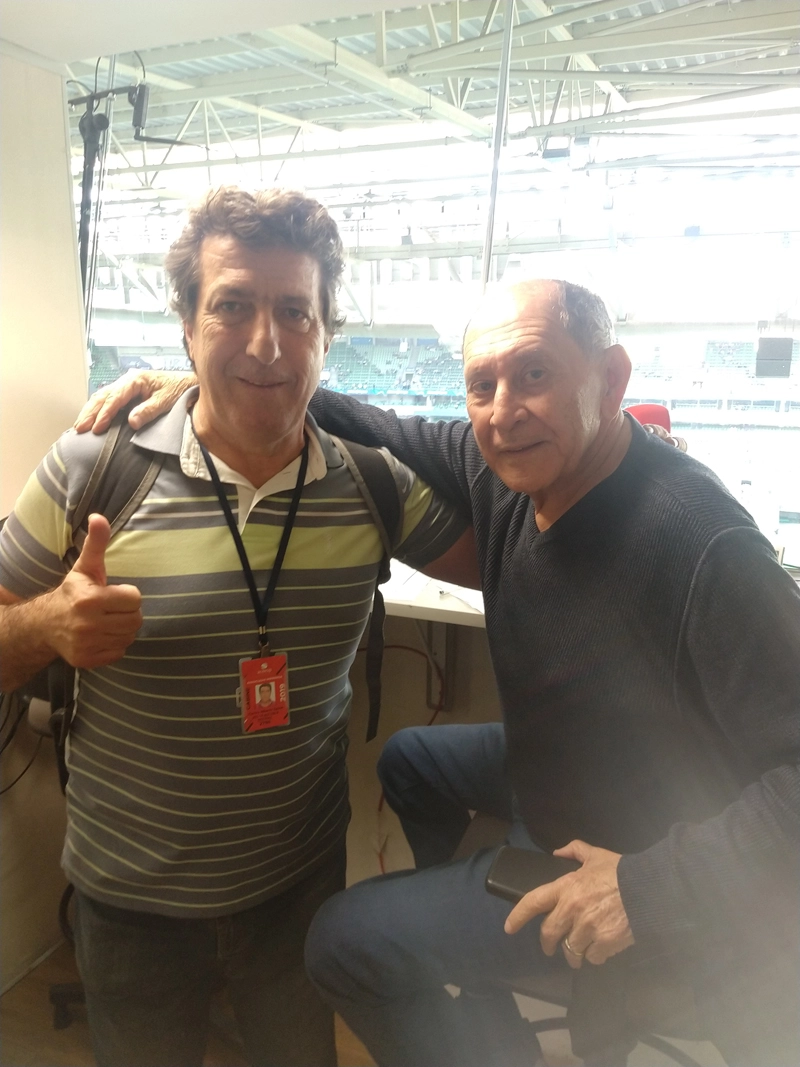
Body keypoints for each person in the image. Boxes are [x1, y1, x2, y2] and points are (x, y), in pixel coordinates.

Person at [75, 279, 800, 1067]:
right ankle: (478, 976)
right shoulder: (507, 465)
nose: (502, 410)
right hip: (588, 771)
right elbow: (372, 420)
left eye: (534, 375)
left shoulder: (701, 544)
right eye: (481, 384)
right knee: (409, 760)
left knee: (342, 943)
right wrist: (216, 385)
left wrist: (644, 889)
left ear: (613, 378)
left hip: (644, 852)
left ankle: (503, 977)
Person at [0, 186, 477, 1067]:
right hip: (127, 894)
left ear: (327, 335)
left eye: (295, 311)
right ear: (186, 325)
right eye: (232, 306)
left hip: (295, 885)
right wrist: (46, 624)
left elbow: (519, 553)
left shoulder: (376, 486)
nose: (267, 342)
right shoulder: (91, 470)